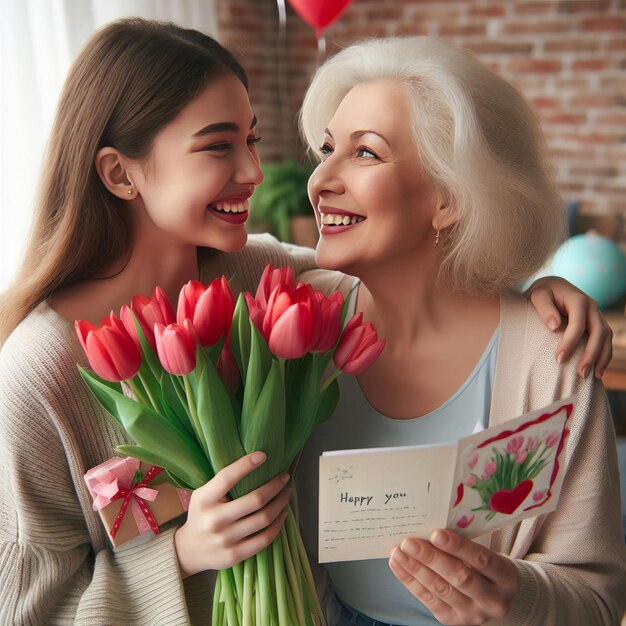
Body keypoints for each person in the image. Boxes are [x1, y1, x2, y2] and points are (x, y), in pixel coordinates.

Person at [0, 18, 615, 625]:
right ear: (118, 172)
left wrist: (541, 290)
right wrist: (177, 556)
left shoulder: (264, 283)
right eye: (218, 145)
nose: (259, 173)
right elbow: (29, 610)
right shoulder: (35, 376)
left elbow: (422, 268)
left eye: (252, 140)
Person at [295, 36, 626, 626]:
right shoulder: (297, 315)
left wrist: (517, 599)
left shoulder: (552, 357)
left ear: (448, 198)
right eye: (326, 149)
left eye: (365, 153)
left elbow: (599, 600)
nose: (321, 179)